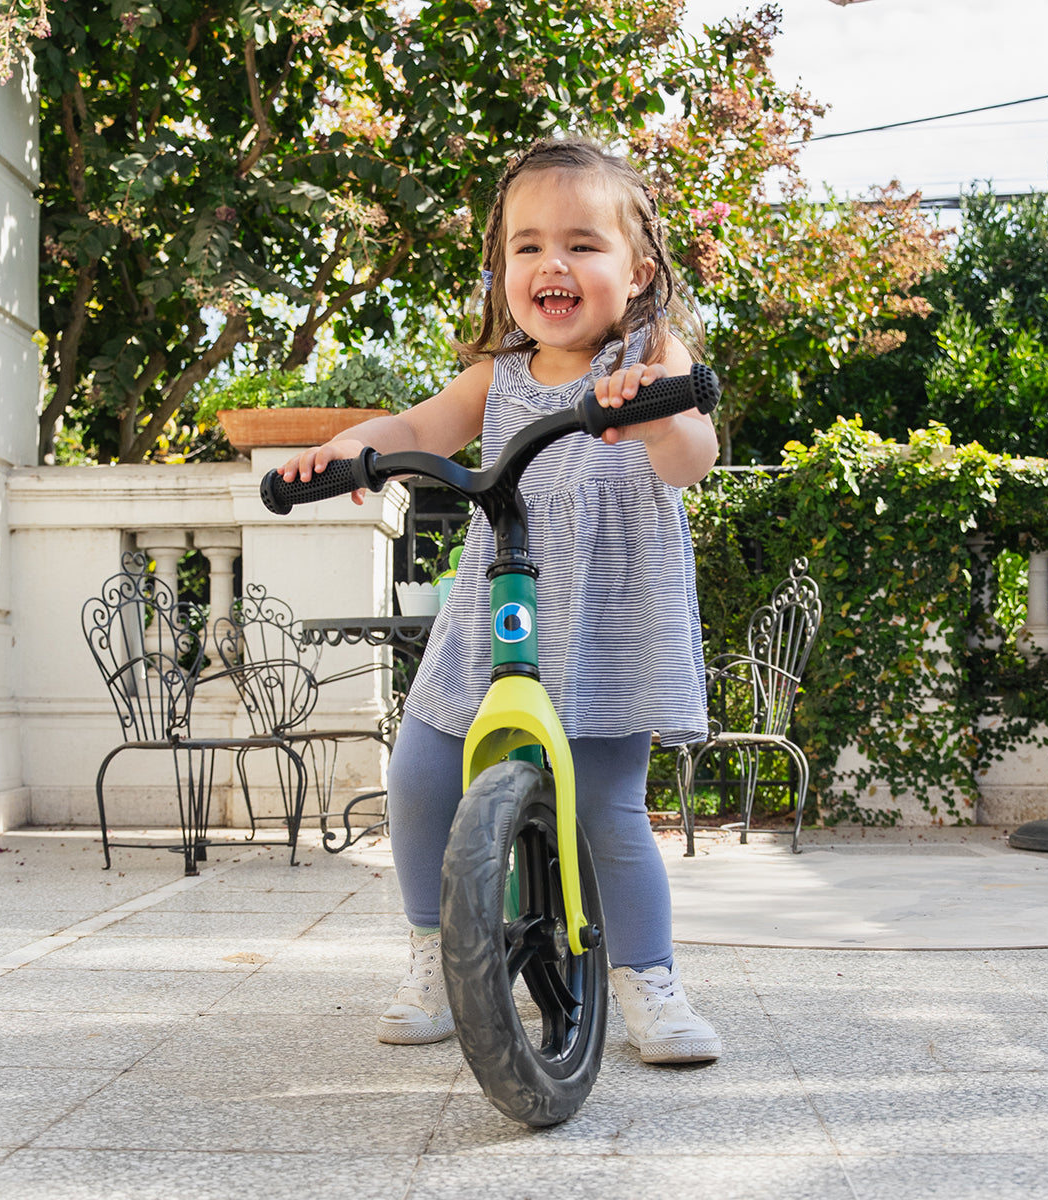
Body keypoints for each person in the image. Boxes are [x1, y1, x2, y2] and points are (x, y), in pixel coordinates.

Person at [280, 137, 722, 1065]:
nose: (550, 263)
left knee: (608, 806)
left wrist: (655, 410)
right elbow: (415, 428)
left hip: (604, 619)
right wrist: (346, 450)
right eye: (526, 246)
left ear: (637, 271)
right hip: (499, 610)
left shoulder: (649, 357)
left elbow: (692, 457)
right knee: (420, 775)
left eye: (581, 244)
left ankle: (647, 976)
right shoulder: (501, 375)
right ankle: (434, 951)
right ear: (503, 269)